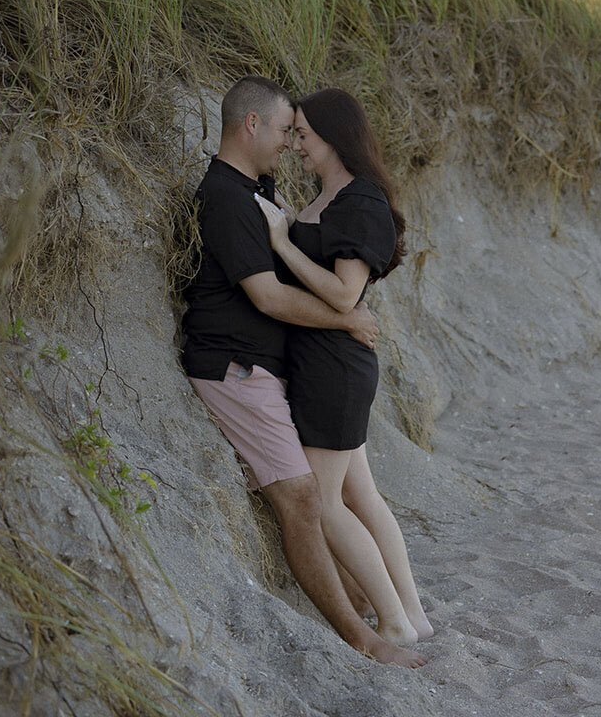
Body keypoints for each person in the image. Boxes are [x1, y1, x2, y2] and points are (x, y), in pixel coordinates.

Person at [180, 74, 424, 669]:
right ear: (251, 125)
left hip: (284, 370)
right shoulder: (229, 198)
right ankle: (366, 635)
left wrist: (338, 307)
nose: (292, 143)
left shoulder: (260, 190)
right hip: (237, 369)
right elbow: (267, 297)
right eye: (287, 130)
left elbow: (325, 277)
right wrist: (345, 320)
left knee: (338, 492)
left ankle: (388, 611)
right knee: (307, 497)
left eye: (302, 133)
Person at [253, 87, 433, 647]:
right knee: (362, 494)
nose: (296, 144)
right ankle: (414, 615)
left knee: (327, 502)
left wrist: (282, 243)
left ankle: (396, 622)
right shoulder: (331, 196)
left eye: (303, 134)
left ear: (333, 137)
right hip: (328, 362)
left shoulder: (359, 201)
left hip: (334, 366)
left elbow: (343, 293)